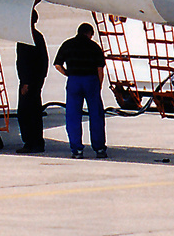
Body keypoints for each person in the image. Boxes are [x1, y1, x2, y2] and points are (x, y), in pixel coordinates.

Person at [54, 22, 107, 158]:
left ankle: (77, 150)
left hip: (74, 81)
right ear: (89, 34)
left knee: (73, 116)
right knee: (96, 115)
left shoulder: (68, 44)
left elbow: (57, 64)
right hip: (90, 81)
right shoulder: (94, 47)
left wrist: (68, 73)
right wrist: (99, 86)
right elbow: (100, 70)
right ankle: (99, 148)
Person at [15, 9, 49, 154]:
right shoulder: (38, 36)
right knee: (35, 112)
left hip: (28, 82)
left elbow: (26, 62)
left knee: (25, 113)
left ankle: (30, 142)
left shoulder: (26, 38)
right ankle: (37, 142)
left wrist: (26, 83)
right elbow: (44, 60)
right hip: (36, 81)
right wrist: (40, 80)